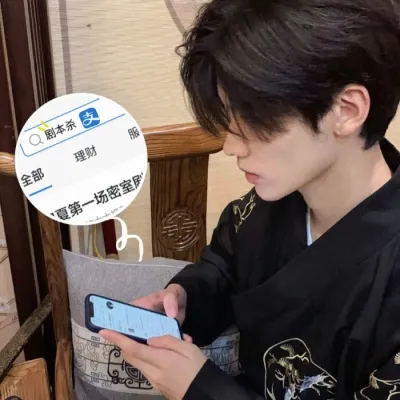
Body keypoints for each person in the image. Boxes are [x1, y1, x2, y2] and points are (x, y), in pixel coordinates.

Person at [100, 0, 400, 398]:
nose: (230, 146)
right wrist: (186, 299)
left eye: (253, 122)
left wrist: (199, 388)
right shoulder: (266, 205)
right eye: (229, 119)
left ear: (346, 110)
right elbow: (224, 268)